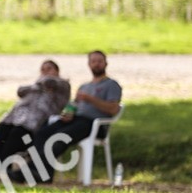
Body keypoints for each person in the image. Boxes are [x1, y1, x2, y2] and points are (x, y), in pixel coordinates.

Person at [26, 50, 122, 183]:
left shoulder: (111, 85)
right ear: (89, 64)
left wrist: (91, 99)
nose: (97, 64)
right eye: (93, 61)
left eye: (100, 61)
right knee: (42, 134)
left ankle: (30, 172)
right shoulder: (84, 86)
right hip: (75, 120)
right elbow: (74, 105)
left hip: (93, 124)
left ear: (106, 63)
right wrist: (68, 113)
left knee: (58, 138)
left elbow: (114, 109)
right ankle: (41, 174)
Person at [0, 60, 69, 173]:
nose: (45, 72)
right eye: (43, 69)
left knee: (17, 134)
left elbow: (50, 83)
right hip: (16, 118)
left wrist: (38, 84)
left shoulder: (62, 84)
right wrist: (36, 86)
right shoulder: (37, 86)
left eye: (49, 69)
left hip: (37, 123)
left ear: (57, 71)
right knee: (2, 130)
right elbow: (20, 91)